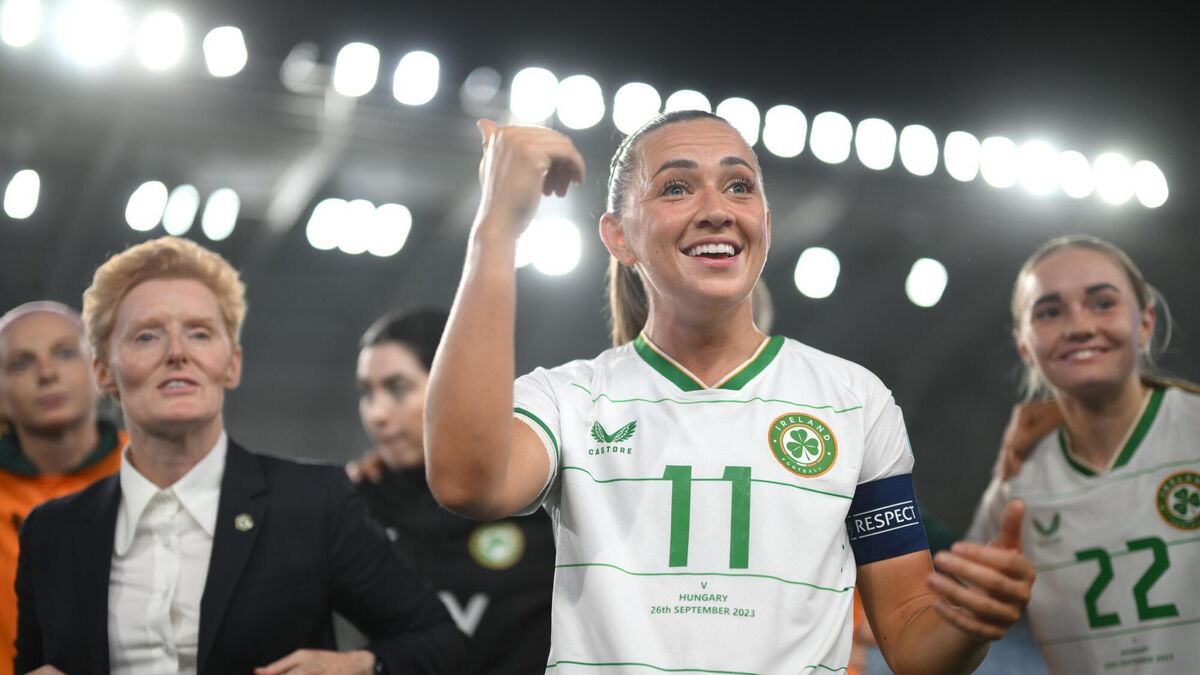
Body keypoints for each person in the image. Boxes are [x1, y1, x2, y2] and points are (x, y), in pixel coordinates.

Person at [423, 111, 1036, 674]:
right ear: (619, 236)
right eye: (676, 187)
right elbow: (466, 482)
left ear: (764, 222)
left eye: (740, 186)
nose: (717, 209)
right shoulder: (567, 399)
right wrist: (496, 228)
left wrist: (968, 624)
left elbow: (912, 641)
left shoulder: (854, 400)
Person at [15, 236, 463, 675]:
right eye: (147, 336)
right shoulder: (52, 532)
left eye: (200, 333)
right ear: (102, 373)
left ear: (232, 364)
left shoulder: (313, 503)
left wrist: (358, 666)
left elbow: (439, 642)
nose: (177, 353)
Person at [968, 235, 1200, 674]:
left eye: (1103, 303)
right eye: (1049, 312)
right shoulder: (1017, 482)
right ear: (1025, 347)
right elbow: (958, 618)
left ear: (1145, 322)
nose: (1078, 326)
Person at [349, 308, 554, 674]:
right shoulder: (359, 503)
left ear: (457, 383)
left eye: (397, 389)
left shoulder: (545, 495)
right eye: (367, 393)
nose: (377, 414)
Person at [0, 302, 126, 675]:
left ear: (100, 372)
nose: (47, 373)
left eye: (66, 353)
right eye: (21, 363)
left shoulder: (158, 473)